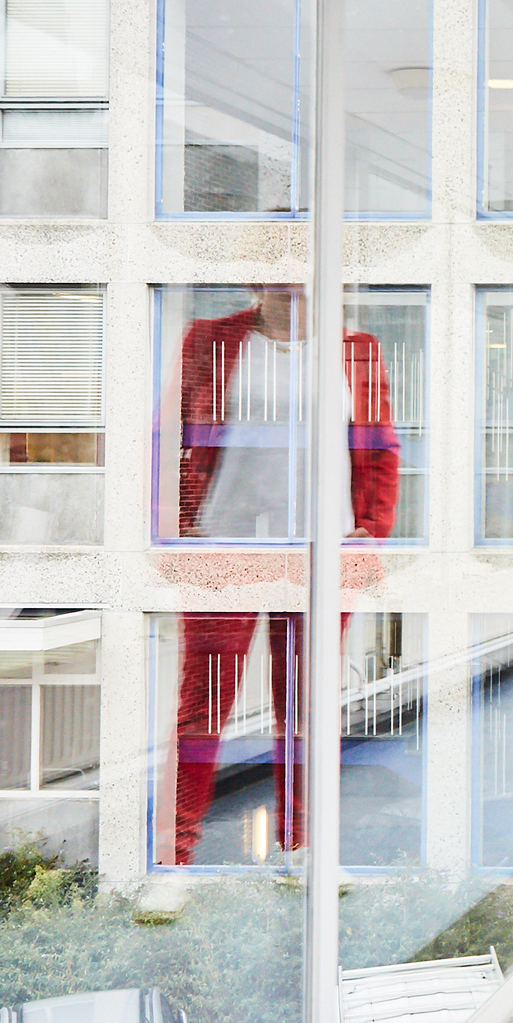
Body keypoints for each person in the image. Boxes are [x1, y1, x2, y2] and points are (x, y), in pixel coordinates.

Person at [168, 284, 400, 865]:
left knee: (306, 709)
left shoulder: (356, 350)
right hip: (226, 548)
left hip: (323, 552)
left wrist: (371, 527)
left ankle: (302, 852)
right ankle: (176, 858)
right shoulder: (212, 339)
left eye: (305, 267)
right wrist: (177, 518)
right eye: (278, 268)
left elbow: (379, 449)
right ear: (255, 279)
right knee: (202, 709)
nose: (294, 280)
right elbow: (174, 433)